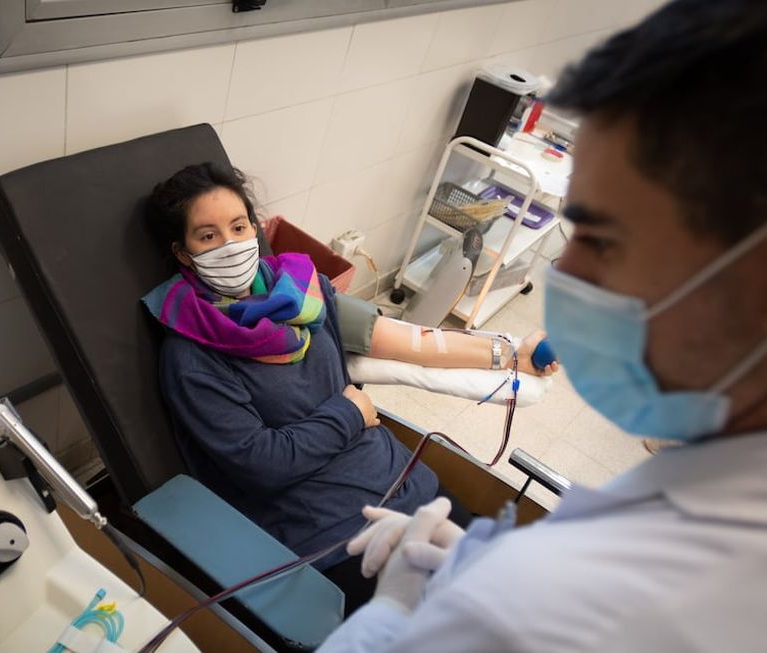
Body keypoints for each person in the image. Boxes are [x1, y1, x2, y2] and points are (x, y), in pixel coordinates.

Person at [317, 0, 767, 649]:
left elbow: (409, 341)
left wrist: (398, 619)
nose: (566, 271)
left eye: (602, 238)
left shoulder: (311, 292)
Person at [141, 162, 556, 611]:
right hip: (335, 536)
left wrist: (510, 354)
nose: (230, 245)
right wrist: (349, 414)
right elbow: (261, 463)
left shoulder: (305, 293)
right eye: (208, 236)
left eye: (238, 226)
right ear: (184, 253)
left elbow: (414, 343)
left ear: (255, 228)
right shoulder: (192, 357)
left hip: (410, 487)